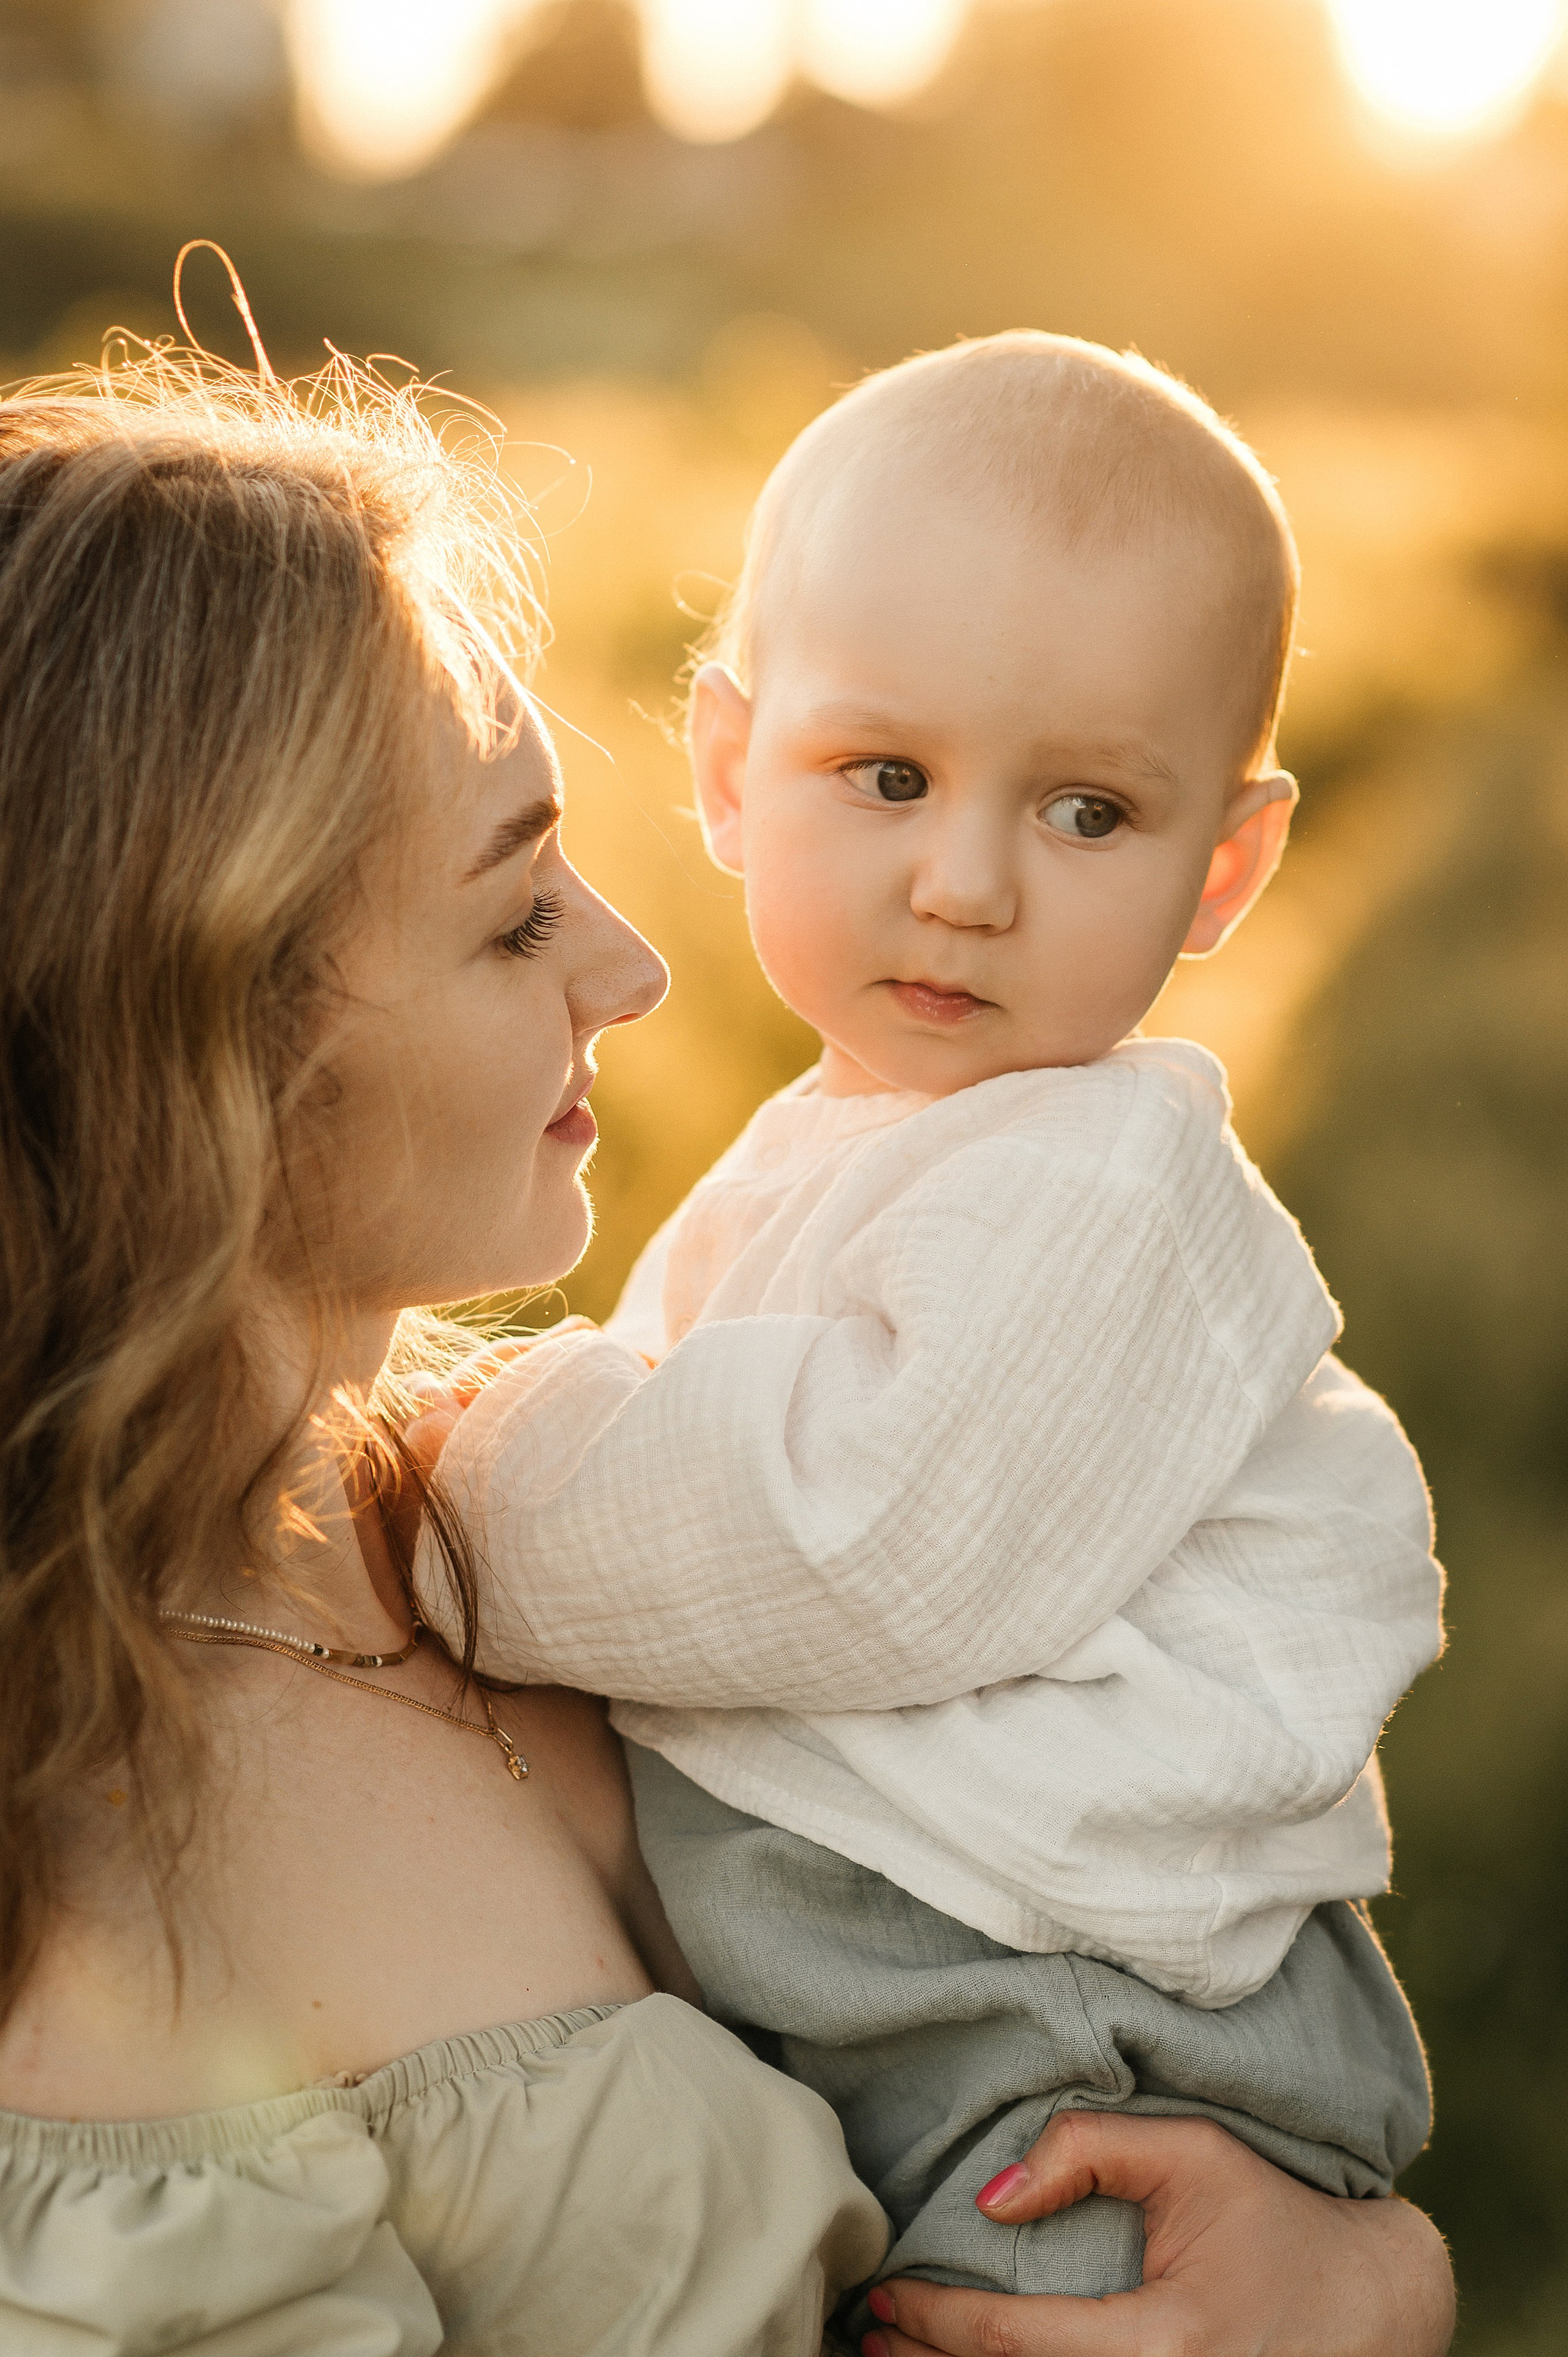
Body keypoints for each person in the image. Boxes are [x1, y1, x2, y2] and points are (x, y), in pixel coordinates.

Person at [409, 333, 1446, 2337]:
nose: (963, 885)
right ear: (727, 771)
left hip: (1066, 2037)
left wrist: (463, 1476)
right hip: (941, 1951)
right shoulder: (873, 1143)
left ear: (1225, 869)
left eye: (1084, 812)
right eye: (887, 778)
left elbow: (853, 1538)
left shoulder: (1104, 1182)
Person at [0, 313, 889, 2352]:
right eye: (513, 915)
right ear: (199, 1052)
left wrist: (1349, 2261)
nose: (640, 970)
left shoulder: (550, 1496)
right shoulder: (71, 1855)